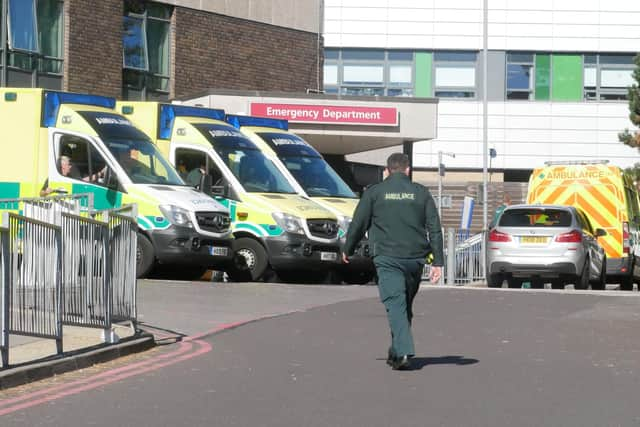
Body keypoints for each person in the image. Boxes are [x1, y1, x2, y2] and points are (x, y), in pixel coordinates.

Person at [342, 153, 443, 371]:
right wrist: (438, 262)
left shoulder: (374, 192)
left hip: (387, 258)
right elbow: (434, 228)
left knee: (396, 303)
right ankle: (397, 351)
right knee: (403, 304)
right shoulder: (421, 193)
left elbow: (359, 223)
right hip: (416, 259)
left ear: (387, 170)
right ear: (408, 170)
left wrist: (347, 249)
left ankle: (404, 352)